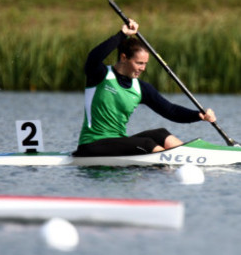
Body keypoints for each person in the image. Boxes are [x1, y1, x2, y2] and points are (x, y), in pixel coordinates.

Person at [73, 19, 216, 156]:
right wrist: (121, 35)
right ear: (123, 58)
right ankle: (174, 166)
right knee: (147, 143)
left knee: (160, 134)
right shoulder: (100, 75)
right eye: (139, 63)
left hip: (117, 142)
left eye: (145, 64)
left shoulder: (140, 88)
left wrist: (198, 115)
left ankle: (191, 159)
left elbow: (170, 110)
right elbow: (93, 57)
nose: (143, 68)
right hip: (92, 145)